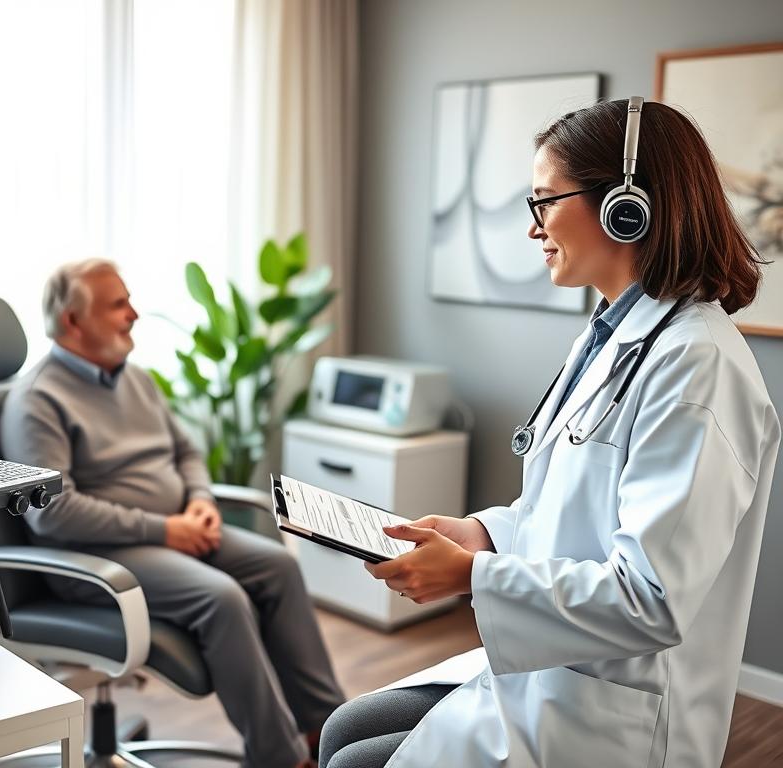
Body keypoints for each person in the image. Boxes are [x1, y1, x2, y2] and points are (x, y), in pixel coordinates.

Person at [319, 98, 781, 768]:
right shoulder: (612, 337)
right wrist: (478, 535)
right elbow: (565, 517)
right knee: (343, 731)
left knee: (353, 760)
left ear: (628, 206)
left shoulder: (697, 367)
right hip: (549, 673)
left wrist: (474, 577)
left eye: (544, 201)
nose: (534, 228)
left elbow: (648, 599)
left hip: (614, 714)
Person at [0, 259, 345, 768]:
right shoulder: (38, 400)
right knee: (221, 598)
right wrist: (166, 530)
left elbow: (186, 451)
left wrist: (200, 501)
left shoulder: (135, 380)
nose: (133, 314)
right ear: (72, 321)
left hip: (174, 531)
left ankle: (331, 732)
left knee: (279, 566)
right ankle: (281, 758)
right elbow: (53, 513)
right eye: (118, 304)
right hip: (94, 558)